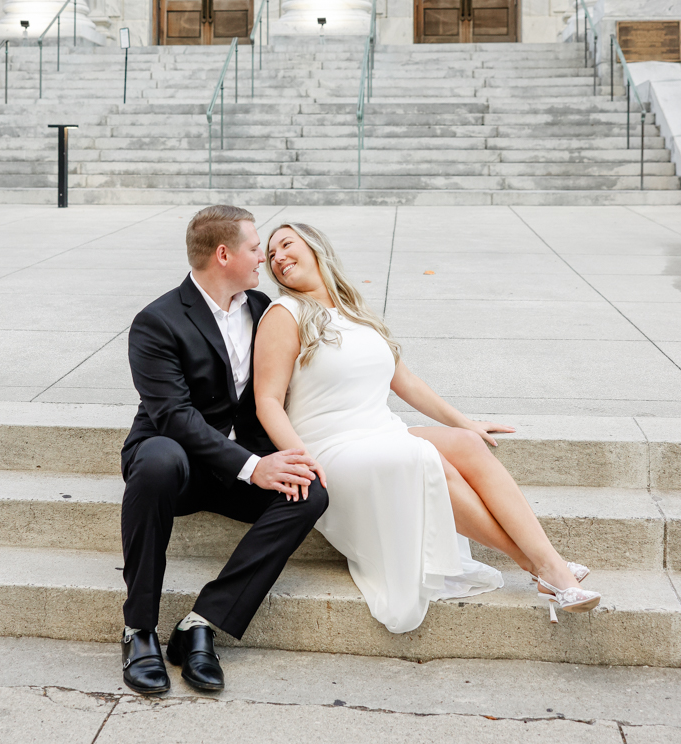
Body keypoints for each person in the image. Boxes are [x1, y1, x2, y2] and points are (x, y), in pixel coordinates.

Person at [254, 221, 601, 633]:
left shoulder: (355, 311)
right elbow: (267, 401)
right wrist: (302, 459)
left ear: (315, 248)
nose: (278, 258)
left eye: (286, 244)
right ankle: (545, 567)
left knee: (466, 444)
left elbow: (407, 383)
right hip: (331, 449)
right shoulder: (284, 314)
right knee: (422, 457)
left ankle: (547, 566)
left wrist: (466, 423)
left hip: (380, 431)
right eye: (271, 254)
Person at [120, 205, 327, 696]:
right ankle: (139, 629)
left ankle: (201, 623)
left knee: (310, 492)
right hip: (177, 468)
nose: (263, 259)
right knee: (158, 458)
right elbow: (174, 417)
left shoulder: (263, 308)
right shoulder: (157, 321)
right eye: (256, 248)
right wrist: (253, 467)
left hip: (238, 469)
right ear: (223, 254)